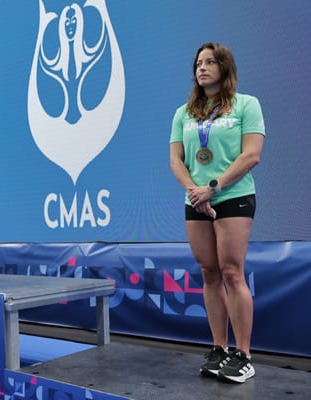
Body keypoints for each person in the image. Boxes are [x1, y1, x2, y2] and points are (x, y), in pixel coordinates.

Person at [169, 42, 265, 383]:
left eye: (210, 62)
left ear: (225, 67)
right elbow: (176, 160)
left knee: (231, 272)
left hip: (232, 196)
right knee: (209, 273)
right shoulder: (184, 113)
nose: (202, 68)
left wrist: (213, 188)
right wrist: (195, 192)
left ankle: (244, 355)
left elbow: (251, 155)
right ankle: (219, 348)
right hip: (196, 200)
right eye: (198, 63)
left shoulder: (247, 105)